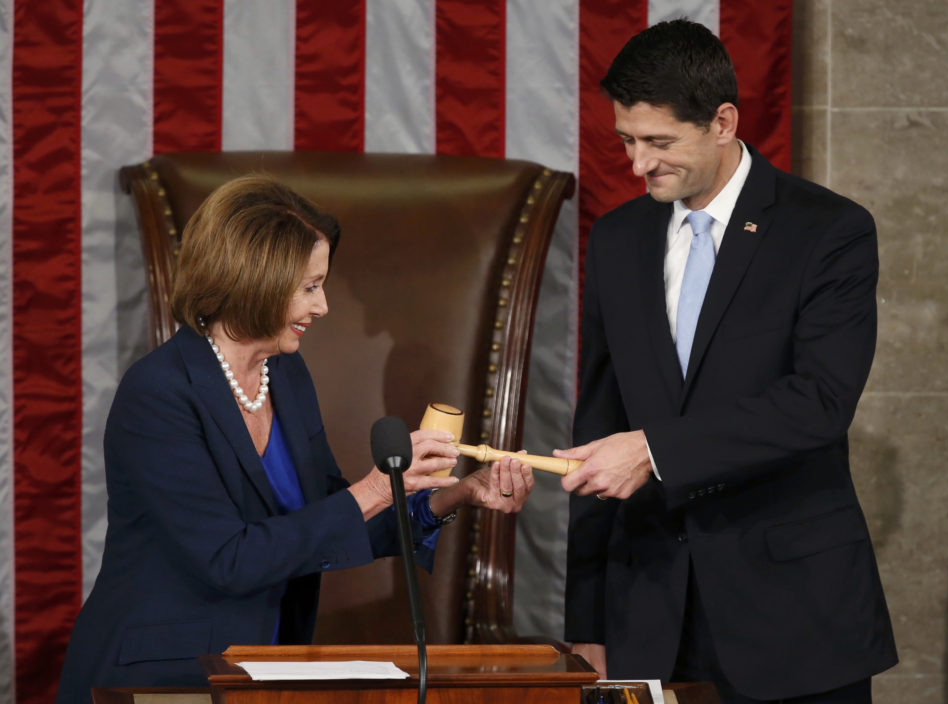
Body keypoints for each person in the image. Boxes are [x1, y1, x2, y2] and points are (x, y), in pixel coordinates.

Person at [56, 175, 534, 703]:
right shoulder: (159, 393)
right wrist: (374, 489)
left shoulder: (285, 375)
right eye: (309, 286)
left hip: (262, 668)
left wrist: (453, 494)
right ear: (253, 279)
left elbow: (329, 519)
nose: (323, 305)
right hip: (161, 676)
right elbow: (228, 559)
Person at [553, 19, 897, 703]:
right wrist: (586, 622)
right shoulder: (619, 240)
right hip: (649, 614)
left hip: (792, 618)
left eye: (658, 143)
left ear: (722, 121)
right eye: (627, 141)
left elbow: (820, 404)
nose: (637, 165)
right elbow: (600, 421)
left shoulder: (828, 231)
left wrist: (653, 451)